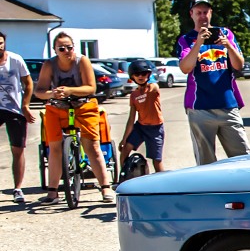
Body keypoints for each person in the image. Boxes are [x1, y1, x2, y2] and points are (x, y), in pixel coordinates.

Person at [33, 32, 114, 203]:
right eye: (61, 48)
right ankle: (53, 191)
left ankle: (105, 187)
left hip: (83, 106)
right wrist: (52, 93)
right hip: (58, 107)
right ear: (55, 50)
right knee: (54, 147)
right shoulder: (49, 65)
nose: (66, 51)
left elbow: (91, 88)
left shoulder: (81, 61)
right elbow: (39, 91)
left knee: (92, 145)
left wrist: (70, 91)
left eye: (69, 47)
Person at [176, 0, 250, 165]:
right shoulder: (186, 39)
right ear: (192, 14)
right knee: (205, 159)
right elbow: (185, 67)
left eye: (206, 12)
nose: (202, 16)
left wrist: (228, 46)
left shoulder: (225, 34)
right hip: (200, 107)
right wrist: (199, 43)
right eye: (198, 12)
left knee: (243, 156)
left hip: (227, 104)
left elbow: (239, 65)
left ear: (211, 13)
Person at [0, 29, 35, 204]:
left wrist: (26, 105)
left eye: (0, 43)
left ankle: (17, 188)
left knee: (18, 149)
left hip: (14, 109)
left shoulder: (15, 59)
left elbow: (28, 83)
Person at [119, 59, 165, 173]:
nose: (140, 76)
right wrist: (124, 139)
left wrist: (151, 80)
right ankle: (122, 177)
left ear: (148, 75)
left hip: (155, 128)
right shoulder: (134, 95)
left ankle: (163, 183)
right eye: (137, 74)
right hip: (140, 127)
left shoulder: (153, 88)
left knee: (157, 160)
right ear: (132, 77)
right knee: (125, 150)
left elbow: (155, 87)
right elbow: (131, 119)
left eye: (144, 74)